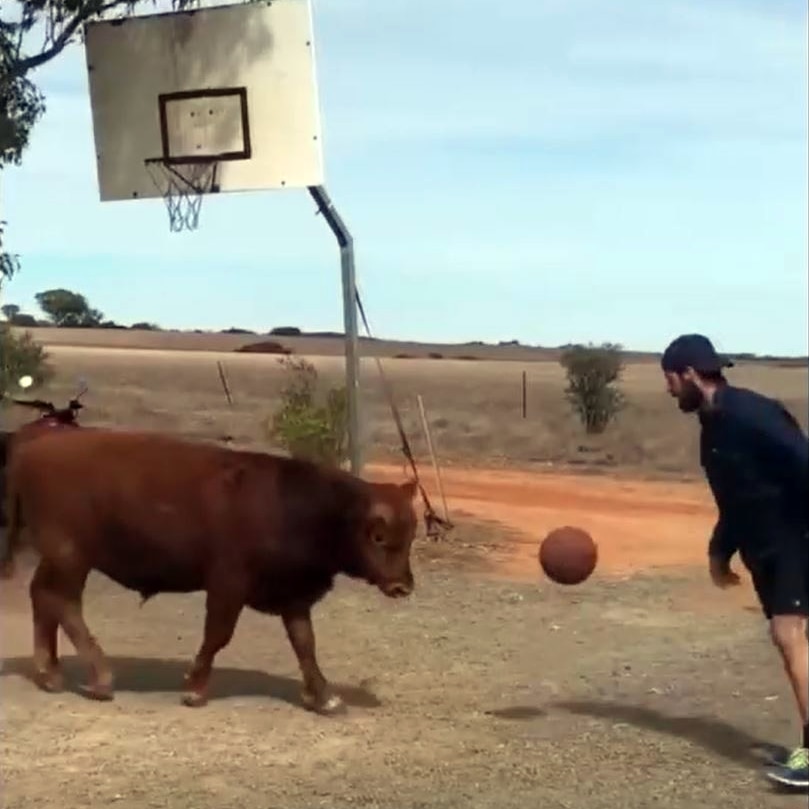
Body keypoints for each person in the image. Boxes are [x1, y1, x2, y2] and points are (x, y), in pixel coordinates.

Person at [661, 333, 808, 789]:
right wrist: (720, 549)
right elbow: (735, 499)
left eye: (669, 379)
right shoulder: (713, 428)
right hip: (765, 545)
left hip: (792, 538)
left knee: (790, 635)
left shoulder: (750, 413)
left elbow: (804, 461)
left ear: (688, 374)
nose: (668, 391)